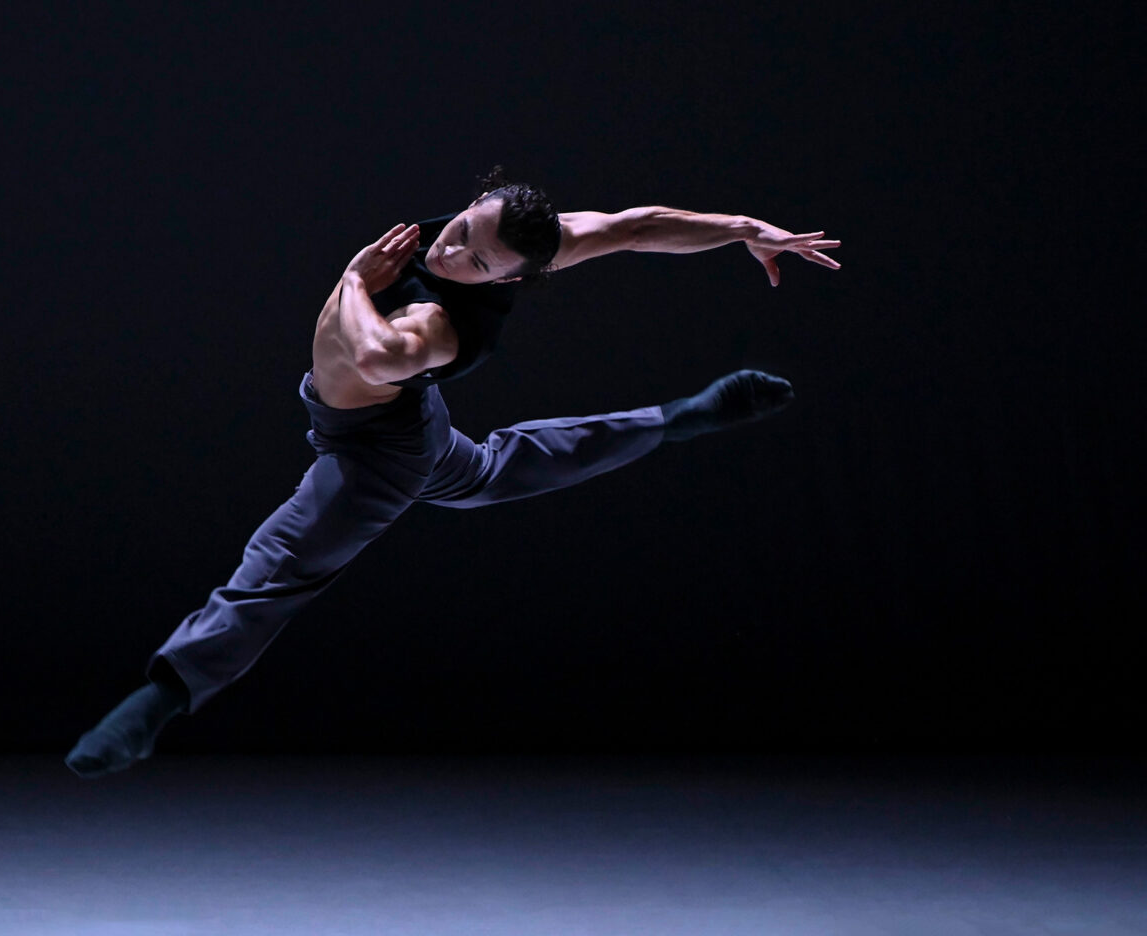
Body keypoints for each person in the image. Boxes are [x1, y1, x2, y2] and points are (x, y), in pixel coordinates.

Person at [66, 170, 840, 777]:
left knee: (284, 566)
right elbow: (637, 227)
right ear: (480, 201)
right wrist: (744, 229)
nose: (450, 251)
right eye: (464, 227)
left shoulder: (436, 325)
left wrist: (351, 281)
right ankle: (676, 419)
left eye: (475, 259)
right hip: (419, 432)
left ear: (507, 281)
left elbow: (373, 354)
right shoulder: (523, 235)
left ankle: (157, 702)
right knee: (503, 467)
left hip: (376, 451)